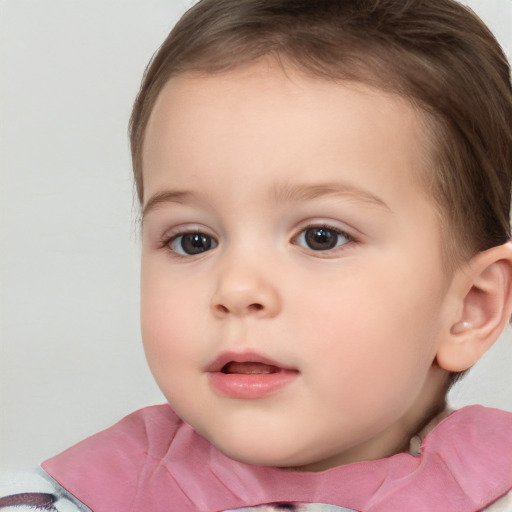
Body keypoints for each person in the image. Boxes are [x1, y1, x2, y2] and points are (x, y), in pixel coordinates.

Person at [2, 0, 511, 510]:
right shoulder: (72, 499)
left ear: (470, 306)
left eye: (320, 237)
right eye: (193, 240)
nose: (237, 289)